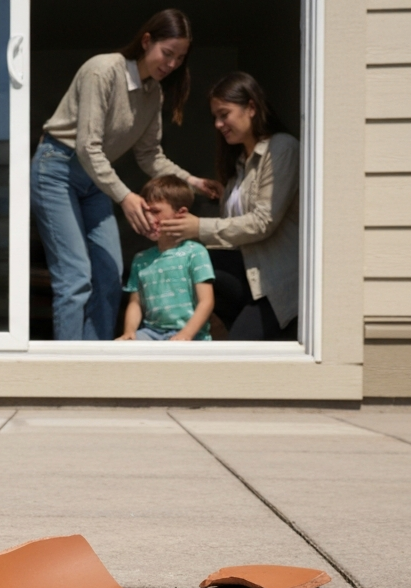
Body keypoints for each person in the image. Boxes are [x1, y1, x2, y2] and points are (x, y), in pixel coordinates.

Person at [31, 9, 221, 341]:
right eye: (167, 53)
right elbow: (88, 147)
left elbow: (150, 156)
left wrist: (193, 182)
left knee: (109, 274)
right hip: (56, 169)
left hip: (94, 180)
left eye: (180, 58)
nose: (172, 64)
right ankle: (69, 369)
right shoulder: (102, 71)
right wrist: (126, 196)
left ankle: (98, 361)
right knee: (76, 277)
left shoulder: (153, 94)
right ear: (147, 41)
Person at [159, 71, 299, 341]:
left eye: (224, 114)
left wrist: (198, 228)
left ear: (251, 108)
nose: (218, 124)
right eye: (215, 117)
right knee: (186, 259)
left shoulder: (281, 148)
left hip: (274, 285)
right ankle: (160, 331)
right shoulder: (238, 169)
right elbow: (233, 236)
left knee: (234, 354)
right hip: (247, 280)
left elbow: (263, 222)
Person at [116, 176, 214, 341]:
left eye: (155, 211)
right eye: (145, 212)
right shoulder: (141, 259)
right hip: (151, 333)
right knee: (120, 352)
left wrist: (186, 335)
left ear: (180, 214)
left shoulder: (195, 252)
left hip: (191, 335)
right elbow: (135, 303)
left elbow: (206, 301)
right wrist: (129, 332)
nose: (148, 218)